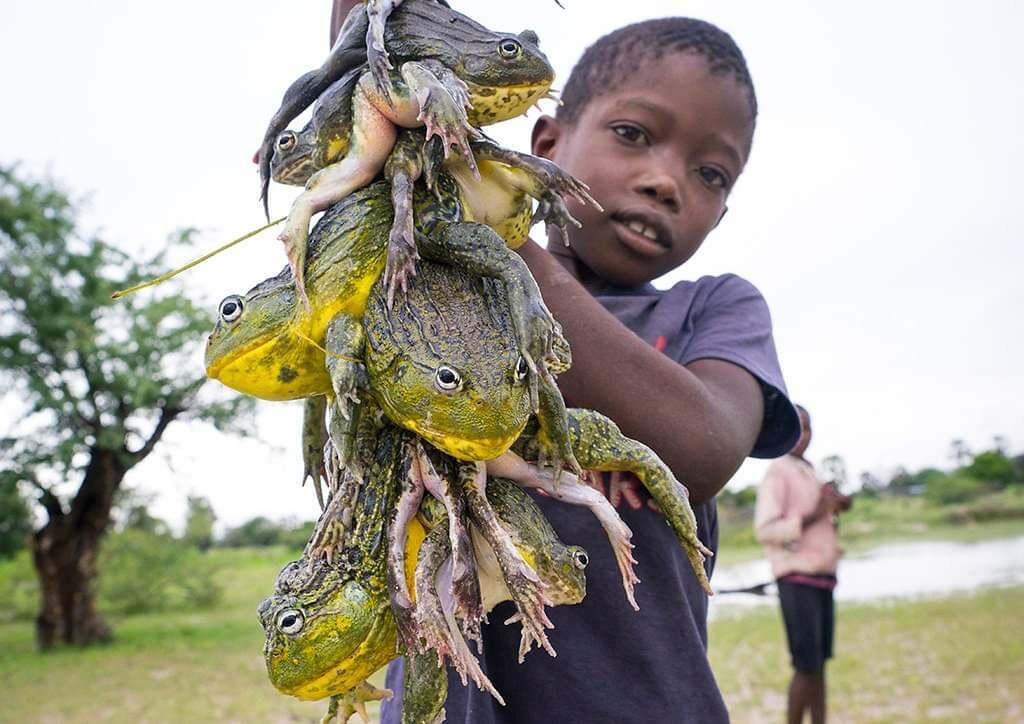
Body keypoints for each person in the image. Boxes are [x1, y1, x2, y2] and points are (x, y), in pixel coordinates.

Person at [325, 4, 801, 721]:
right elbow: (374, 106)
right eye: (633, 134)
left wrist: (492, 226)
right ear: (547, 138)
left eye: (711, 174)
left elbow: (703, 450)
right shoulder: (429, 284)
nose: (666, 182)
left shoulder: (714, 311)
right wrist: (381, 64)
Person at [754, 405, 852, 724]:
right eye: (795, 428)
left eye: (807, 428)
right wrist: (816, 511)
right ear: (782, 431)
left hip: (823, 575)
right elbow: (765, 530)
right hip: (797, 578)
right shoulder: (778, 471)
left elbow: (822, 515)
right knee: (805, 665)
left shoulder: (809, 470)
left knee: (820, 664)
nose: (802, 436)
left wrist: (834, 507)